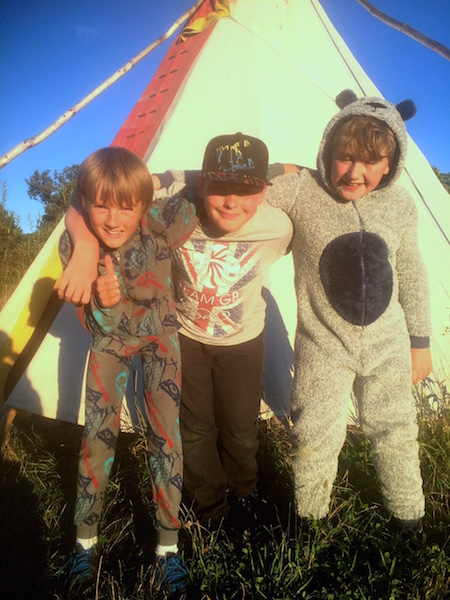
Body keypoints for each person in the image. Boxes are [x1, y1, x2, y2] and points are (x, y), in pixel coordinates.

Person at [58, 133, 293, 529]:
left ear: (264, 191)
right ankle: (209, 509)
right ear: (201, 185)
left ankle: (245, 492)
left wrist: (292, 168)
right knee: (195, 427)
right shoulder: (174, 212)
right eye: (219, 186)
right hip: (186, 334)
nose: (231, 200)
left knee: (240, 426)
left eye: (246, 189)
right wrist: (83, 245)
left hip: (243, 339)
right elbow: (101, 196)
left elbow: (309, 195)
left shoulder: (277, 226)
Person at [264, 90, 432, 531]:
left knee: (396, 427)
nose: (355, 172)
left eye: (371, 161)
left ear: (390, 164)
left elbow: (412, 272)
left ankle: (408, 516)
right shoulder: (303, 191)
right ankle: (310, 520)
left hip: (389, 342)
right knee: (315, 430)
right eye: (345, 157)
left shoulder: (399, 204)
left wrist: (420, 341)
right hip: (323, 344)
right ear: (328, 150)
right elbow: (245, 190)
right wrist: (287, 168)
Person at [57, 146, 198, 595]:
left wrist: (282, 170)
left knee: (165, 437)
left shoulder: (160, 222)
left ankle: (168, 548)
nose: (114, 218)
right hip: (110, 342)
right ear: (85, 202)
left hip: (161, 339)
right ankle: (83, 543)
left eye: (126, 205)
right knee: (96, 437)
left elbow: (213, 184)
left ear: (144, 204)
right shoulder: (75, 249)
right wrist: (104, 301)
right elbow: (95, 326)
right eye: (101, 204)